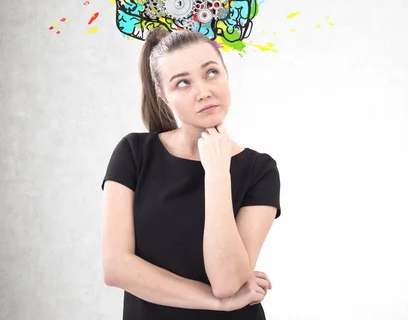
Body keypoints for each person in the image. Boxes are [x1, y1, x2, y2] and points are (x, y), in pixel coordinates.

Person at [101, 27, 282, 319]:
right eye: (183, 83)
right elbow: (116, 267)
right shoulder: (134, 153)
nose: (204, 92)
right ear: (163, 95)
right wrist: (218, 304)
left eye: (211, 73)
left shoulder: (259, 170)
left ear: (226, 73)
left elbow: (226, 282)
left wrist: (218, 173)